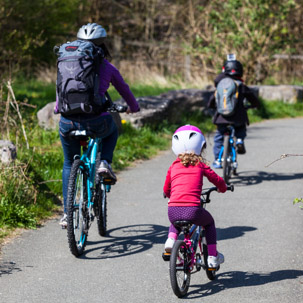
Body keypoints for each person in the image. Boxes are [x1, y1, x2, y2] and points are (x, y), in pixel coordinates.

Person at [56, 23, 140, 227]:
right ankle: (105, 163)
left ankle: (67, 213)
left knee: (69, 162)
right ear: (103, 44)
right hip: (97, 120)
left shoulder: (65, 62)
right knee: (111, 132)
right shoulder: (108, 67)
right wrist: (133, 107)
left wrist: (60, 109)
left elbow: (61, 93)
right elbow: (124, 89)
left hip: (67, 121)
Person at [163, 125, 227, 268]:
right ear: (200, 146)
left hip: (172, 209)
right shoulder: (200, 165)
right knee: (209, 223)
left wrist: (169, 195)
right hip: (193, 209)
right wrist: (223, 188)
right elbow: (216, 180)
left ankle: (170, 240)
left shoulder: (173, 166)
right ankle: (212, 257)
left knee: (176, 221)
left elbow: (166, 188)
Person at [207, 58, 261, 168]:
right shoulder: (240, 85)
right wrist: (254, 105)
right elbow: (252, 98)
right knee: (240, 128)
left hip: (221, 118)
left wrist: (212, 107)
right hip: (238, 117)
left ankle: (218, 159)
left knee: (219, 137)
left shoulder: (221, 85)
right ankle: (240, 140)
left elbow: (213, 100)